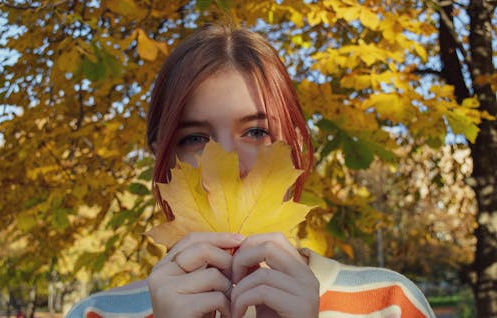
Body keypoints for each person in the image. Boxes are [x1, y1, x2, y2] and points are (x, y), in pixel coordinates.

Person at [66, 25, 435, 318]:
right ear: (160, 159)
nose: (226, 163)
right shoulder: (98, 314)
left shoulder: (387, 305)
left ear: (298, 151)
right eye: (194, 138)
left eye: (256, 132)